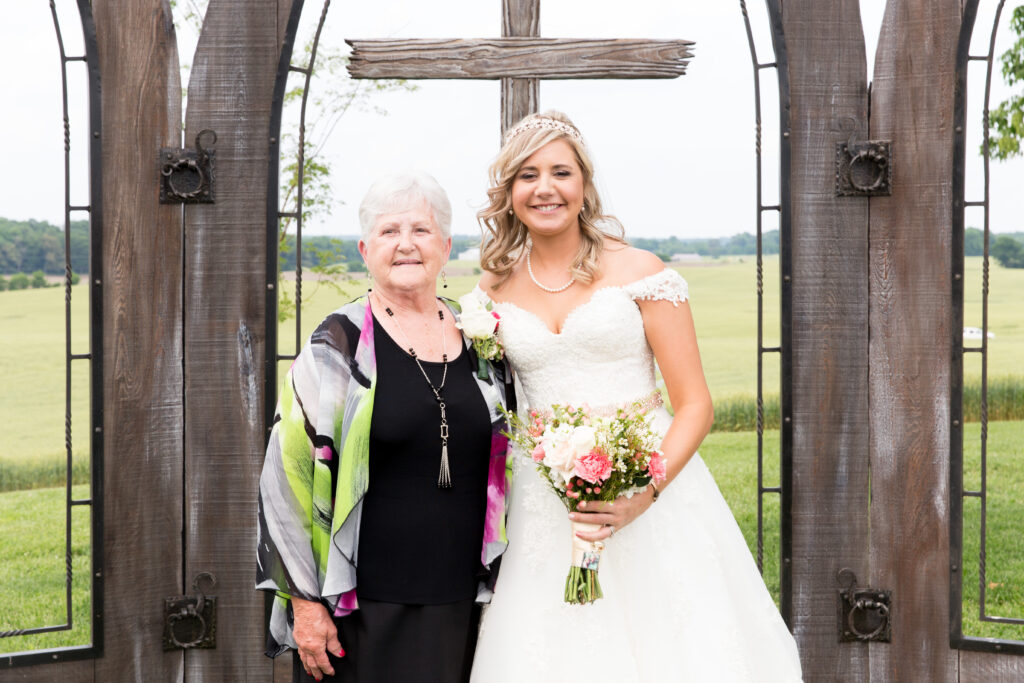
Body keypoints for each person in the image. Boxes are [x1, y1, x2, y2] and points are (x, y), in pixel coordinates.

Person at [468, 112, 803, 681]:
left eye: (560, 172)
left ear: (584, 185)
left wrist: (642, 496)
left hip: (651, 481)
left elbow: (696, 404)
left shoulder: (641, 273)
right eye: (527, 175)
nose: (544, 188)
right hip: (543, 501)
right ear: (509, 193)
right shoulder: (490, 291)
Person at [257, 171, 515, 682]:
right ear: (364, 248)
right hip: (363, 604)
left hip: (464, 597)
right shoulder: (338, 344)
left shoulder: (480, 336)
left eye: (421, 230)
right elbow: (284, 480)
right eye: (388, 231)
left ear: (444, 246)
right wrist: (305, 605)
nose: (405, 245)